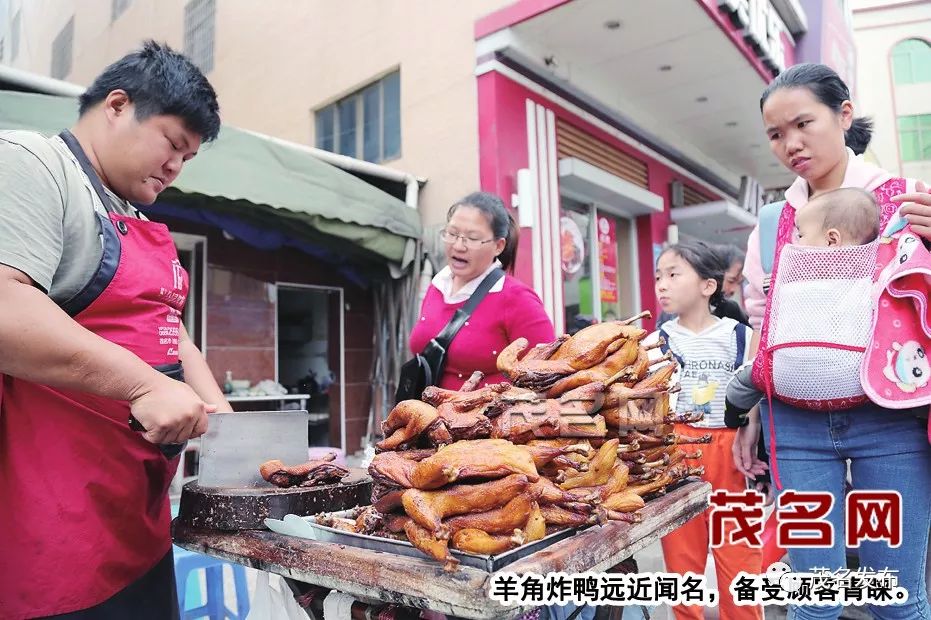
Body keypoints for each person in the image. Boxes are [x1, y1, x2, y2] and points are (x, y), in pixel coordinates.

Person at [0, 42, 226, 618]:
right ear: (118, 105)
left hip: (138, 512)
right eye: (173, 145)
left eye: (189, 158)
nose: (176, 167)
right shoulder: (32, 162)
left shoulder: (138, 218)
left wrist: (218, 411)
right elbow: (6, 304)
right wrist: (145, 386)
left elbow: (170, 329)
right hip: (53, 518)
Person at [734, 63, 931, 619]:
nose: (791, 144)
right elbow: (761, 321)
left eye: (803, 123)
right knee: (813, 600)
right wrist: (752, 418)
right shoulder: (774, 222)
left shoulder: (910, 199)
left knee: (897, 596)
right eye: (776, 134)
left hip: (891, 418)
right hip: (794, 425)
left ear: (844, 115)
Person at [651, 241, 761, 620]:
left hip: (729, 449)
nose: (661, 285)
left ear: (708, 286)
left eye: (673, 274)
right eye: (657, 277)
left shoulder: (741, 335)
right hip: (678, 450)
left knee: (739, 555)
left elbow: (755, 392)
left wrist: (750, 428)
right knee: (682, 558)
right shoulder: (655, 342)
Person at [725, 187, 880, 425]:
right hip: (856, 373)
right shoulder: (867, 281)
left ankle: (734, 413)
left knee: (745, 380)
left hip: (793, 366)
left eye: (801, 235)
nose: (794, 242)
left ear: (831, 240)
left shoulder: (800, 281)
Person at [409, 192, 555, 390]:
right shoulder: (436, 286)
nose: (459, 246)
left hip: (486, 419)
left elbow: (546, 378)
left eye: (472, 238)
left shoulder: (517, 298)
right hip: (428, 417)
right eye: (451, 234)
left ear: (498, 246)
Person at [656, 243, 748, 328]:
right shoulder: (669, 318)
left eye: (739, 283)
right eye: (731, 281)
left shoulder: (734, 316)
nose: (734, 289)